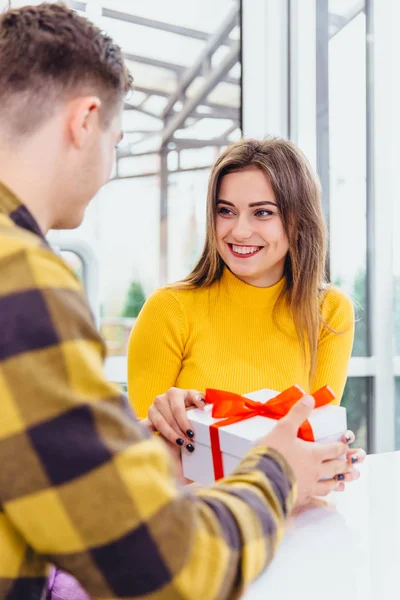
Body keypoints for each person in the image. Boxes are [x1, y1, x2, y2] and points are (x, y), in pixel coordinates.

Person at [0, 4, 356, 600]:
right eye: (117, 141)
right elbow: (158, 563)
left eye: (263, 212)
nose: (110, 166)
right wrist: (275, 470)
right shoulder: (23, 282)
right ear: (85, 122)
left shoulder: (329, 310)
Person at [128, 138, 363, 469]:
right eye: (226, 211)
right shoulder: (168, 309)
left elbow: (309, 442)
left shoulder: (330, 312)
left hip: (292, 512)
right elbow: (141, 459)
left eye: (262, 212)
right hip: (194, 512)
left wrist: (330, 460)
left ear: (298, 219)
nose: (239, 231)